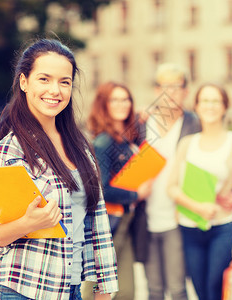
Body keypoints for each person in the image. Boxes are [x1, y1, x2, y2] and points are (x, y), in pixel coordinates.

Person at [0, 38, 118, 300]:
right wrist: (27, 224)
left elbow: (96, 223)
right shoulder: (7, 153)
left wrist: (103, 287)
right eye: (44, 79)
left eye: (65, 82)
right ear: (24, 82)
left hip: (70, 291)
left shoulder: (80, 148)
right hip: (20, 290)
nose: (55, 90)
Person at [167, 83, 232, 300]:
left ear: (225, 107)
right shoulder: (187, 143)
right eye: (205, 100)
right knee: (200, 289)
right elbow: (172, 187)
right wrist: (199, 207)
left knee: (215, 287)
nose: (210, 106)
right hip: (190, 228)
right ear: (196, 106)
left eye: (216, 101)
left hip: (222, 228)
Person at [85, 81, 153, 300]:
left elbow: (140, 152)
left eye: (126, 99)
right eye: (115, 99)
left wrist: (141, 122)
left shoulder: (124, 138)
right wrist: (137, 195)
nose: (122, 104)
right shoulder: (104, 141)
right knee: (97, 289)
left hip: (126, 220)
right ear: (104, 104)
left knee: (126, 291)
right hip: (109, 223)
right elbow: (102, 189)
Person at [143, 63, 201, 300]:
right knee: (154, 290)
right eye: (165, 87)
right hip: (145, 218)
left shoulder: (193, 124)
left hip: (177, 218)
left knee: (177, 289)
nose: (171, 93)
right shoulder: (141, 124)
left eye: (176, 87)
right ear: (157, 90)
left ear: (186, 91)